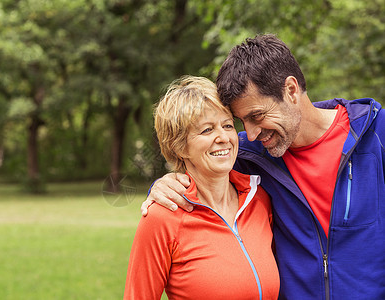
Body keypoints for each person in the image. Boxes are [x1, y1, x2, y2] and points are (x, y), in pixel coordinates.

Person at [142, 34, 385, 300]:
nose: (252, 133)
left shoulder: (376, 135)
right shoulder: (249, 155)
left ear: (291, 90)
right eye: (242, 121)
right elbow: (200, 165)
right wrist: (163, 185)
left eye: (257, 116)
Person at [124, 76, 280, 299]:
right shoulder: (161, 218)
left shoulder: (259, 200)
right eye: (207, 130)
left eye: (227, 125)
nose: (223, 137)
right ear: (180, 147)